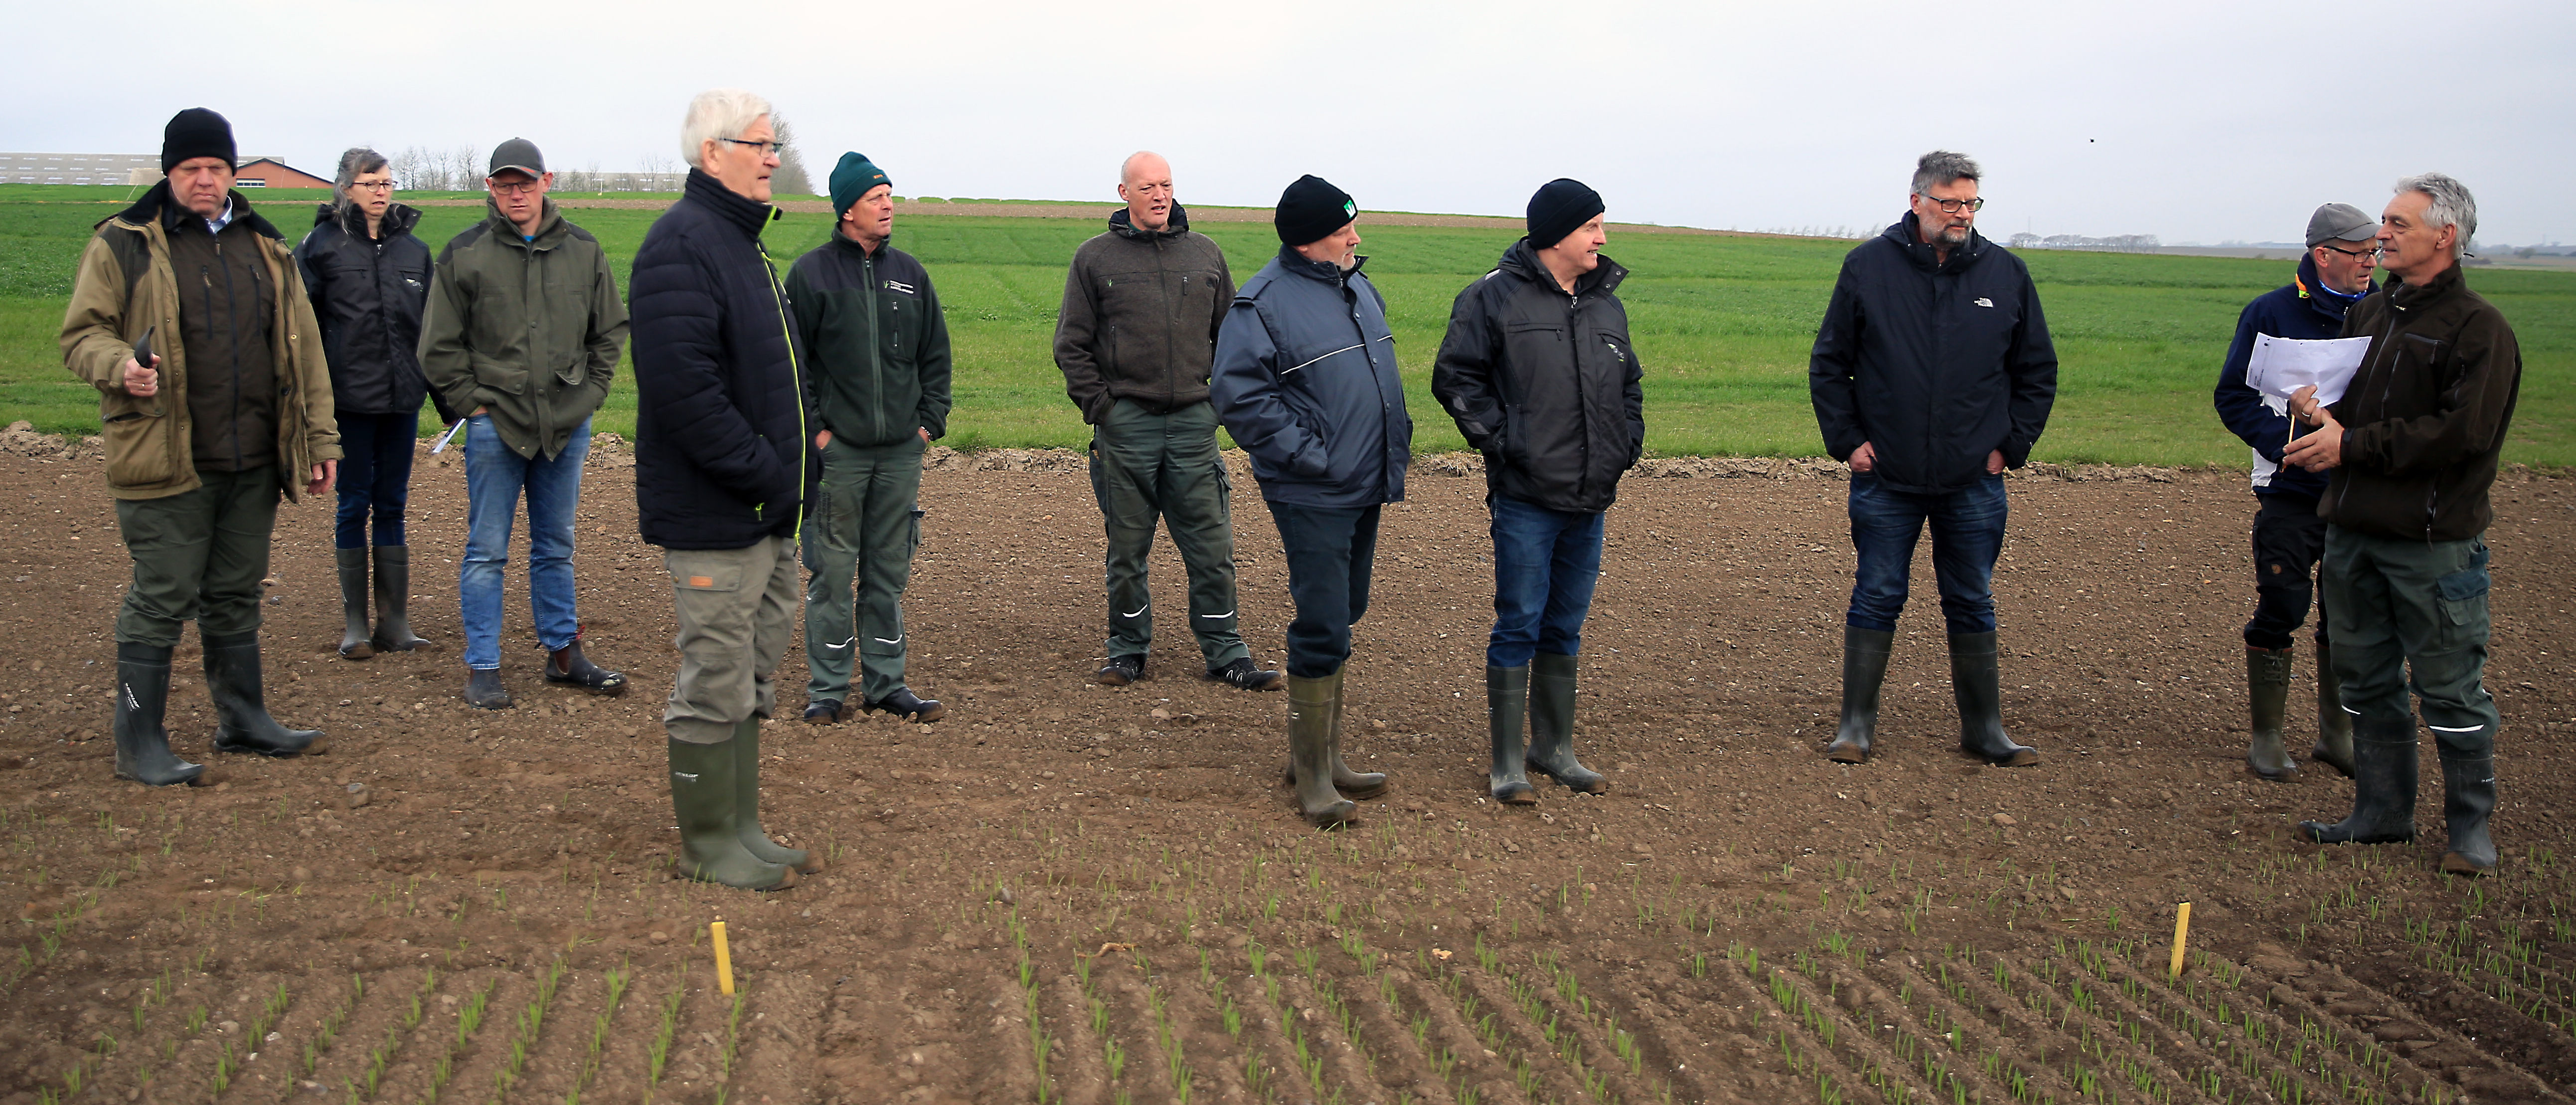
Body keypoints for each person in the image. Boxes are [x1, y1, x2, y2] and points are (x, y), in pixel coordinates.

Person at [60, 107, 336, 785]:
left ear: (233, 171)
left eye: (216, 168)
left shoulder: (267, 248)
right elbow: (80, 336)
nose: (205, 180)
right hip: (163, 455)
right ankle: (138, 742)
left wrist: (320, 438)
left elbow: (306, 355)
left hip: (249, 458)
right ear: (169, 172)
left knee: (236, 592)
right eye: (191, 169)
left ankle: (242, 720)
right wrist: (120, 364)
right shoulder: (125, 244)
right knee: (161, 595)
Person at [2288, 174, 2520, 877]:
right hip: (2353, 532)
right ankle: (2381, 814)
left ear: (2445, 236)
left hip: (2431, 544)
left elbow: (2464, 435)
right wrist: (2319, 410)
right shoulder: (2372, 315)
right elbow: (2355, 410)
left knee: (2450, 689)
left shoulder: (2480, 331)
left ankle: (2469, 832)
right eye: (2384, 223)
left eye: (2397, 223)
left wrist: (2350, 445)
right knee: (2365, 680)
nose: (2381, 234)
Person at [630, 89, 823, 891]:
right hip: (719, 514)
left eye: (773, 144)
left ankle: (741, 828)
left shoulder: (742, 246)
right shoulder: (680, 247)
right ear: (713, 153)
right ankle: (707, 845)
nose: (774, 156)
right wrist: (764, 470)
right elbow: (686, 394)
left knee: (750, 675)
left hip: (764, 515)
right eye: (759, 143)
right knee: (714, 676)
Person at [1809, 150, 2057, 767]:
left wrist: (2010, 447)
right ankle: (1855, 726)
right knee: (1876, 593)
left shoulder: (2005, 274)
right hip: (1885, 475)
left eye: (1971, 202)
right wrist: (1849, 442)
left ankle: (1984, 728)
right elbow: (1828, 364)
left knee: (1971, 597)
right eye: (1950, 202)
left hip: (1972, 478)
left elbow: (2035, 371)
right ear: (1917, 199)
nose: (1962, 213)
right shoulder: (1867, 267)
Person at [1431, 179, 1640, 803]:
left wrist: (1625, 443)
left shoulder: (1606, 305)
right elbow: (1455, 378)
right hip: (1526, 494)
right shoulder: (1491, 299)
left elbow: (1629, 385)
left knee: (1565, 625)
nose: (1602, 239)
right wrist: (1506, 443)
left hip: (1590, 494)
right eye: (1592, 227)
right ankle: (1505, 764)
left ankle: (1553, 748)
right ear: (1557, 234)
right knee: (1519, 620)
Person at [1211, 175, 1411, 829]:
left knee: (1347, 609)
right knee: (1323, 619)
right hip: (1314, 488)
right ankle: (1314, 780)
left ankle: (1320, 757)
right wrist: (1311, 455)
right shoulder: (1263, 303)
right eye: (1343, 230)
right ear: (1308, 240)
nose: (1356, 238)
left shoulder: (1353, 286)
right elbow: (1240, 396)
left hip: (1364, 479)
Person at [1054, 152, 1279, 692]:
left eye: (1166, 185)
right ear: (1123, 192)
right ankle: (1128, 650)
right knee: (1127, 551)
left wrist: (1217, 406)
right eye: (1147, 186)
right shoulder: (1094, 258)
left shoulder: (1204, 254)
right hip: (1126, 425)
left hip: (1191, 426)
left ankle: (1226, 652)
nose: (1159, 195)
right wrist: (1103, 409)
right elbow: (1071, 344)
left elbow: (1233, 340)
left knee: (1211, 547)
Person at [418, 138, 630, 709]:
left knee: (555, 544)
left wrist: (590, 394)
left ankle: (563, 651)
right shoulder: (465, 253)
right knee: (486, 550)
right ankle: (483, 665)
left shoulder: (583, 251)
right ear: (490, 188)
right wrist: (471, 403)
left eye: (525, 182)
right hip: (495, 427)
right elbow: (437, 347)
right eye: (504, 184)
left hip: (565, 424)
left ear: (547, 181)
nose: (516, 193)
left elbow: (609, 331)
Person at [2212, 203, 2379, 780]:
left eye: (2374, 253)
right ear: (2322, 254)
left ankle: (2337, 735)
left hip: (2360, 487)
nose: (2370, 263)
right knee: (2282, 603)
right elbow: (2231, 397)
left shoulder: (2384, 313)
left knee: (2347, 613)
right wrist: (2285, 441)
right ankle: (2268, 737)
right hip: (2288, 488)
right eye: (2359, 254)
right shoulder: (2270, 311)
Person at [791, 151, 950, 725]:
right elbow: (794, 365)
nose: (887, 205)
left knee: (887, 573)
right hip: (841, 455)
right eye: (875, 197)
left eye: (889, 194)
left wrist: (928, 423)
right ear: (846, 210)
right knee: (832, 573)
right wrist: (818, 433)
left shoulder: (910, 274)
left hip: (899, 454)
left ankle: (887, 684)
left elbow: (936, 354)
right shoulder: (810, 276)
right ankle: (828, 688)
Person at [296, 147, 435, 661]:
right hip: (348, 401)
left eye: (386, 182)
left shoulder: (414, 253)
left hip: (401, 400)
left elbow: (430, 333)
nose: (380, 191)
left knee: (393, 503)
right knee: (354, 503)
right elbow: (299, 330)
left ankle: (394, 622)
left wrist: (445, 399)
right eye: (370, 182)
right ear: (345, 188)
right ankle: (356, 624)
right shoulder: (321, 248)